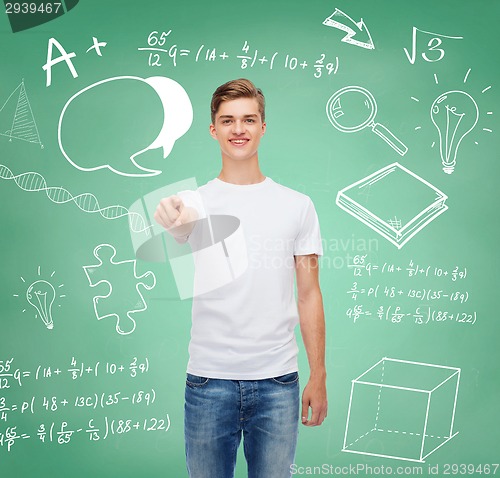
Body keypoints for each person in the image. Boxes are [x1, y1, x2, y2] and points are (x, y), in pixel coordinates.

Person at [154, 78, 327, 478]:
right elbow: (179, 227)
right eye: (227, 120)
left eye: (248, 119)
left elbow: (309, 294)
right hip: (208, 382)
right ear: (213, 129)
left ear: (263, 127)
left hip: (278, 383)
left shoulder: (297, 206)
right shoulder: (193, 203)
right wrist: (171, 218)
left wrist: (318, 374)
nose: (238, 129)